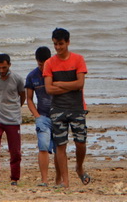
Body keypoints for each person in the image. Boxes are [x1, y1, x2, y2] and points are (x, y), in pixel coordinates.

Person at [43, 27, 90, 188]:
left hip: (76, 108)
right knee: (60, 145)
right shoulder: (49, 63)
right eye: (55, 44)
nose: (58, 47)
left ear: (68, 42)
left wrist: (60, 84)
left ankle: (79, 167)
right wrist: (71, 86)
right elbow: (49, 89)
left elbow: (80, 83)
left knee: (81, 142)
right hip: (57, 108)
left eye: (61, 44)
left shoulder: (78, 59)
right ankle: (65, 181)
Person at [0, 53, 26, 187]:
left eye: (4, 67)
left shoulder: (18, 79)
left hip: (13, 119)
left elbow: (22, 96)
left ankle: (14, 178)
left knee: (15, 151)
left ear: (9, 65)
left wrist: (14, 108)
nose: (1, 71)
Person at [26, 46, 59, 187]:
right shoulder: (32, 76)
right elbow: (29, 99)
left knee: (59, 149)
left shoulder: (57, 73)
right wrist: (37, 115)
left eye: (45, 64)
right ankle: (44, 180)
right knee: (43, 146)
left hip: (58, 115)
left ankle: (59, 180)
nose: (43, 67)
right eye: (40, 64)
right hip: (43, 116)